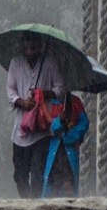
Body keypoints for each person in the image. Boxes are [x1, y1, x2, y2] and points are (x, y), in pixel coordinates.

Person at [6, 32, 66, 198]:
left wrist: (44, 94)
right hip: (20, 129)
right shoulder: (15, 63)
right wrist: (21, 102)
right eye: (27, 43)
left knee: (38, 171)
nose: (30, 47)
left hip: (42, 130)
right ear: (22, 45)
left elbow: (60, 88)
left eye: (34, 44)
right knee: (20, 173)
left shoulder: (49, 63)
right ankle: (25, 201)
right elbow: (10, 89)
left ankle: (35, 204)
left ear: (39, 45)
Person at [42, 93, 88, 197]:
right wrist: (59, 121)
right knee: (51, 182)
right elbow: (44, 124)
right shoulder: (48, 103)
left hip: (69, 151)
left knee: (69, 182)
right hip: (52, 150)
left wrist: (70, 136)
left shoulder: (75, 102)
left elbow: (84, 123)